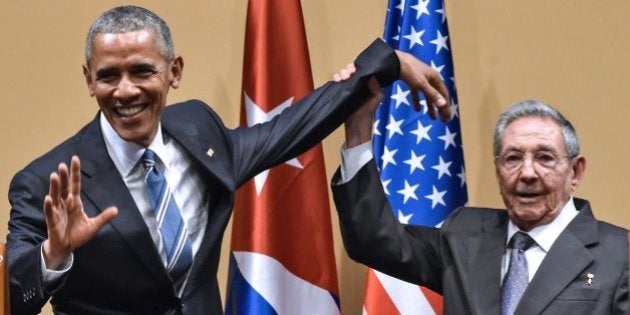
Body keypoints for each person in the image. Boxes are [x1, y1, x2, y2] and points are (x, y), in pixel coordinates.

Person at [5, 5, 452, 315]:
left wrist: (386, 62)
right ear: (89, 80)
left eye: (142, 71)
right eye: (108, 76)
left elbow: (289, 129)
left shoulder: (199, 131)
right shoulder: (49, 181)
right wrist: (53, 254)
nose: (125, 91)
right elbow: (14, 298)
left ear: (173, 72)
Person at [332, 96, 629, 314]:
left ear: (575, 172)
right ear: (498, 171)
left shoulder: (619, 253)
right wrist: (359, 127)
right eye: (512, 158)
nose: (527, 173)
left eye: (545, 158)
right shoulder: (464, 234)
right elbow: (371, 240)